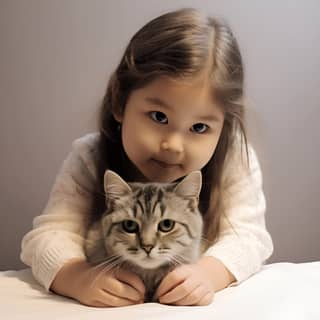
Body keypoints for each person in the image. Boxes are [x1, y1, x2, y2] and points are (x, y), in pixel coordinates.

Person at [20, 8, 273, 307]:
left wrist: (208, 274)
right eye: (158, 116)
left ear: (224, 127)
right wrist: (76, 277)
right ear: (119, 101)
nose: (174, 145)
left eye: (200, 127)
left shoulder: (233, 159)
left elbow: (250, 237)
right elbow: (48, 235)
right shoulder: (90, 157)